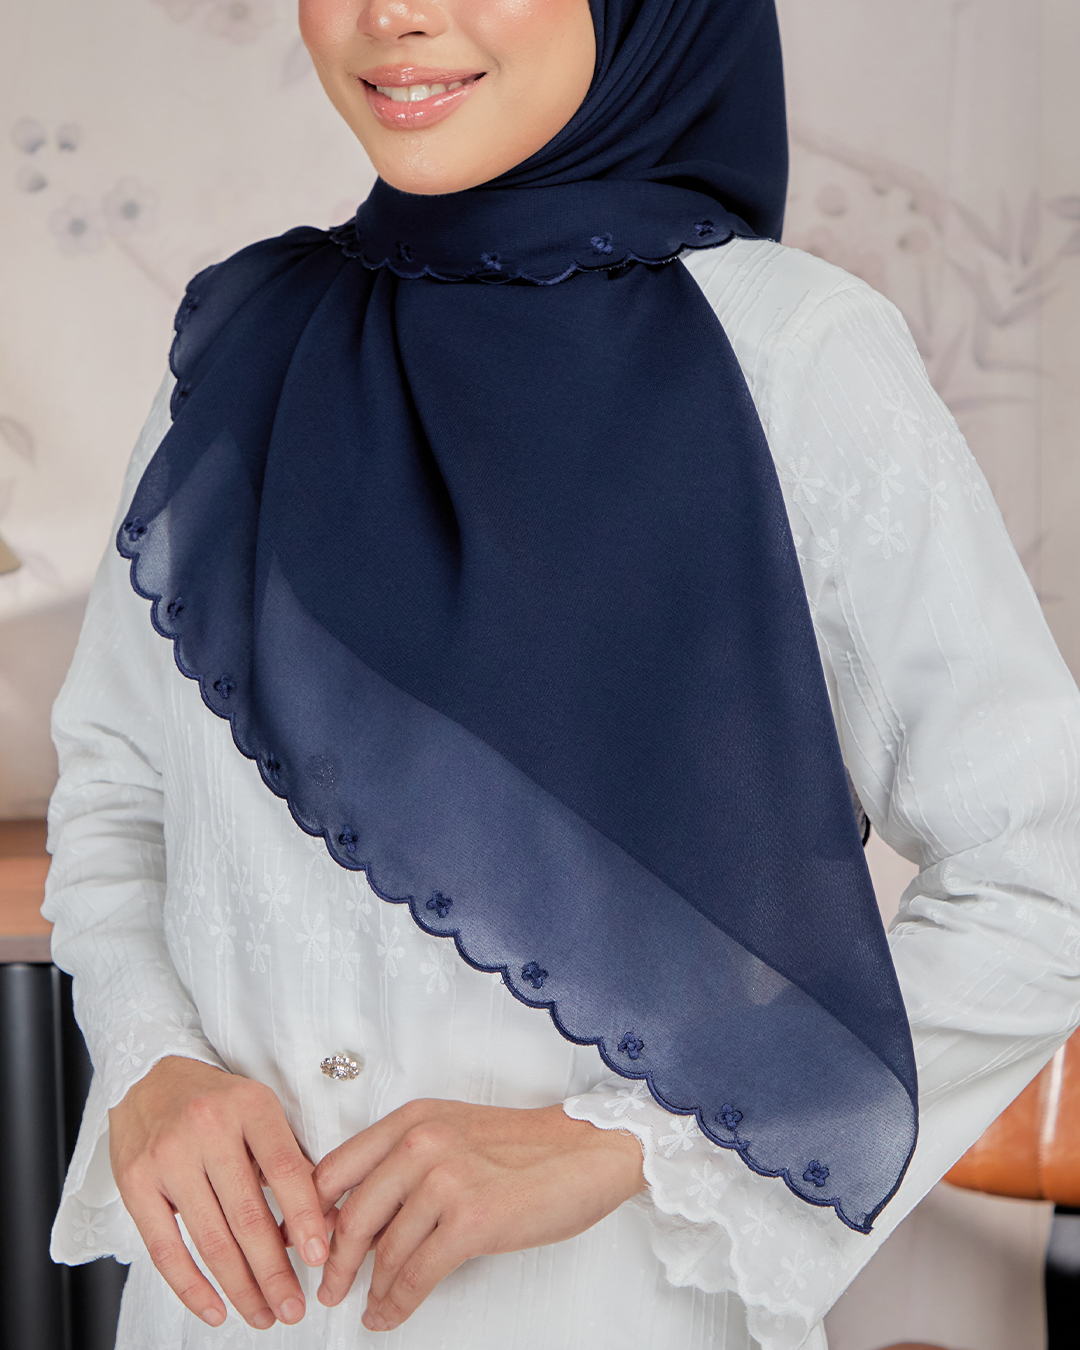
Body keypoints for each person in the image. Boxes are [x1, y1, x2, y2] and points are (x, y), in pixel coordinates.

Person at [43, 0, 1080, 1347]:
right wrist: (151, 1061)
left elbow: (1043, 871)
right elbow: (119, 787)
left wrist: (621, 1145)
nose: (392, 14)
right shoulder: (245, 343)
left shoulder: (794, 358)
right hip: (224, 1317)